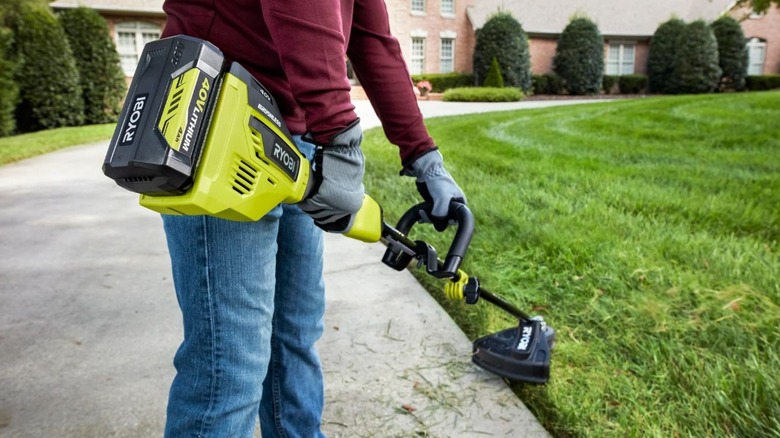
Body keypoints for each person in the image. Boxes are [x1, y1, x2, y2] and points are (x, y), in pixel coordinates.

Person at [159, 0, 467, 436]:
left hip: (299, 144)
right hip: (217, 125)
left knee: (294, 336)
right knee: (226, 368)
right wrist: (340, 137)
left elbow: (371, 39)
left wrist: (423, 154)